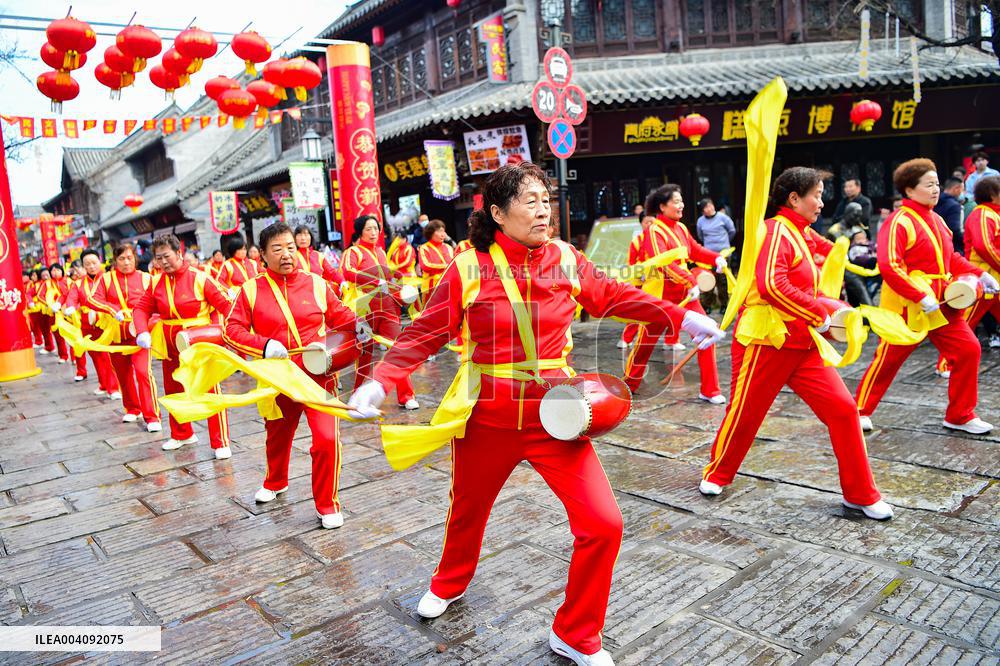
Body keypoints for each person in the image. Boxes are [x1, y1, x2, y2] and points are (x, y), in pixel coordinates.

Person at [347, 162, 723, 666]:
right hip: (488, 417)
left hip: (557, 416)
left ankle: (576, 633)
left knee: (604, 524)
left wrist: (681, 317)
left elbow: (614, 296)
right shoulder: (468, 267)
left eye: (545, 198)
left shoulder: (566, 258)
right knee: (468, 511)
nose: (543, 208)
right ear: (498, 213)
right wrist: (382, 379)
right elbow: (426, 333)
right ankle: (450, 582)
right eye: (529, 200)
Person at [700, 167, 893, 521]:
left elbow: (828, 251)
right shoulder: (776, 230)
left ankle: (861, 493)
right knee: (746, 414)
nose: (821, 203)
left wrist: (845, 253)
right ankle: (717, 472)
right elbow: (772, 284)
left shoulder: (800, 233)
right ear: (793, 198)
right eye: (816, 195)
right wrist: (819, 312)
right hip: (766, 341)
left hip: (802, 343)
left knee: (843, 411)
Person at [224, 222, 361, 530]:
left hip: (317, 375)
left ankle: (327, 503)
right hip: (278, 377)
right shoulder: (250, 290)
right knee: (277, 437)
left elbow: (340, 315)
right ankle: (275, 481)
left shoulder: (316, 283)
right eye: (277, 249)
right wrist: (264, 344)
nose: (286, 254)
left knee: (326, 440)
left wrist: (361, 324)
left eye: (290, 247)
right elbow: (230, 330)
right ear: (262, 255)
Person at [855, 158, 998, 434]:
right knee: (888, 359)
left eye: (936, 184)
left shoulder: (937, 219)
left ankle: (960, 414)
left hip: (942, 303)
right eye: (929, 184)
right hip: (909, 306)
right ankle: (859, 410)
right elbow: (889, 265)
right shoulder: (899, 221)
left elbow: (950, 259)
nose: (935, 189)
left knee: (969, 350)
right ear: (909, 191)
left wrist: (979, 274)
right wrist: (919, 295)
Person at [132, 235, 235, 456]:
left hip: (199, 341)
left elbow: (226, 306)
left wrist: (233, 333)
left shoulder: (200, 278)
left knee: (210, 390)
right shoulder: (156, 282)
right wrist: (142, 331)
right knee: (173, 389)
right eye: (158, 258)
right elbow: (141, 308)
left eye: (166, 256)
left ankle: (221, 441)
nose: (163, 262)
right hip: (170, 343)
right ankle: (182, 434)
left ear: (179, 253)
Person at [624, 184, 728, 403]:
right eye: (676, 202)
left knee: (707, 334)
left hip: (686, 295)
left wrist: (714, 257)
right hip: (661, 296)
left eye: (681, 201)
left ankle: (710, 390)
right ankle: (629, 382)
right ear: (663, 206)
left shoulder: (680, 228)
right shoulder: (655, 230)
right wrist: (690, 280)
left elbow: (695, 250)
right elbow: (663, 262)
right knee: (645, 344)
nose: (681, 205)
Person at [341, 215, 418, 410]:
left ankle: (406, 395)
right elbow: (348, 272)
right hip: (365, 308)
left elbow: (388, 277)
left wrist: (397, 283)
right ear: (360, 232)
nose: (374, 232)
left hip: (387, 307)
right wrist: (374, 281)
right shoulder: (353, 252)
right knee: (365, 353)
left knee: (397, 349)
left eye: (376, 228)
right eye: (369, 229)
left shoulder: (381, 253)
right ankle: (359, 394)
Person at [89, 244, 161, 431]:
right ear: (115, 261)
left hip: (140, 334)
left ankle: (152, 416)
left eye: (129, 258)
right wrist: (112, 309)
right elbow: (93, 299)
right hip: (116, 335)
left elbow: (158, 302)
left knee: (144, 373)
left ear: (135, 258)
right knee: (123, 374)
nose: (126, 262)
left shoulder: (147, 278)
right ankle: (132, 408)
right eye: (122, 259)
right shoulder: (106, 279)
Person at [937, 175, 1000, 372]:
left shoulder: (992, 214)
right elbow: (984, 247)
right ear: (992, 194)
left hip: (992, 276)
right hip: (982, 279)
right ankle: (945, 365)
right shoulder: (983, 214)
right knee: (963, 322)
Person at [63, 249, 120, 398]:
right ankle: (103, 384)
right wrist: (70, 307)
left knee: (108, 356)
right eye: (87, 264)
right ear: (83, 266)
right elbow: (72, 298)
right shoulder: (78, 283)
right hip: (87, 325)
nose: (92, 266)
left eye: (94, 263)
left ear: (99, 261)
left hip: (107, 324)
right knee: (95, 356)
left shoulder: (109, 279)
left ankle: (113, 388)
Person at [618, 215, 654, 349]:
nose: (650, 224)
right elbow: (631, 263)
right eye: (647, 222)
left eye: (652, 221)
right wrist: (640, 274)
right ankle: (626, 339)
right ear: (641, 224)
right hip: (641, 280)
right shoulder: (637, 241)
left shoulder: (661, 238)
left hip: (659, 280)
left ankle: (672, 340)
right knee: (637, 309)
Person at [695, 197, 736, 313]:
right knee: (708, 279)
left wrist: (724, 243)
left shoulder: (723, 217)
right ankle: (707, 305)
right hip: (708, 255)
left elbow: (732, 231)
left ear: (713, 205)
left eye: (709, 206)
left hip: (723, 254)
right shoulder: (700, 221)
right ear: (702, 211)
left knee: (722, 280)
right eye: (705, 208)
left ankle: (724, 305)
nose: (708, 209)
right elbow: (700, 236)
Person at [40, 264, 71, 363]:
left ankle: (75, 357)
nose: (55, 272)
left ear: (62, 270)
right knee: (58, 336)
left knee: (72, 334)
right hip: (53, 313)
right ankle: (63, 356)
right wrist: (50, 305)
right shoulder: (47, 283)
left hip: (67, 312)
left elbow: (72, 294)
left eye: (57, 270)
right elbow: (40, 295)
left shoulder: (68, 281)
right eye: (53, 271)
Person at [418, 219, 454, 303]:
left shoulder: (448, 247)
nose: (442, 234)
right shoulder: (424, 248)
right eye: (439, 231)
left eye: (443, 231)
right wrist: (446, 266)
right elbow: (425, 266)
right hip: (431, 287)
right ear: (430, 233)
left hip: (448, 285)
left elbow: (454, 264)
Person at [935, 177, 965, 255]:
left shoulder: (935, 201)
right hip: (953, 247)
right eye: (962, 190)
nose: (963, 193)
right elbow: (954, 229)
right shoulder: (954, 206)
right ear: (956, 188)